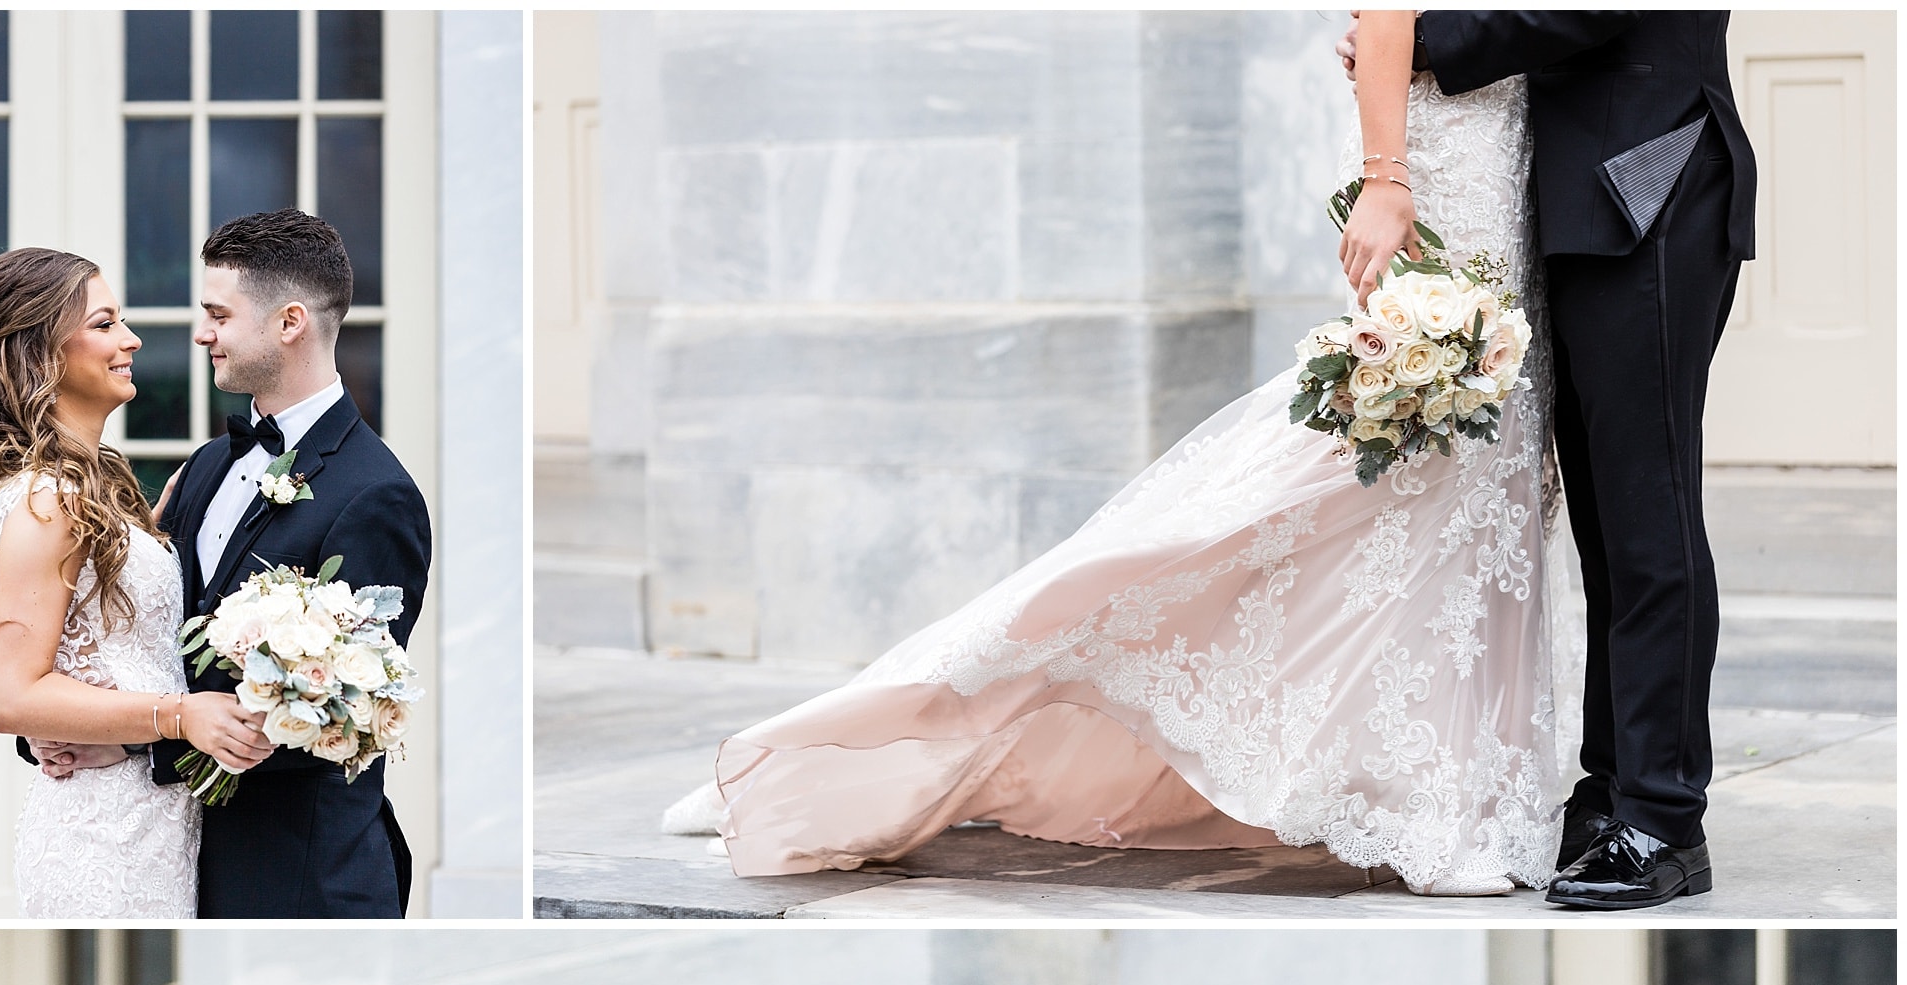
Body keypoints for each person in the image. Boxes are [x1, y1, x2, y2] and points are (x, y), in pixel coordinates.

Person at [664, 12, 1576, 898]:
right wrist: (1387, 178)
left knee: (1471, 479)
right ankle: (853, 740)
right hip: (1431, 159)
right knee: (1387, 452)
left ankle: (1452, 796)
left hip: (1508, 157)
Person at [1410, 12, 1756, 912]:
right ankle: (1612, 790)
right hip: (1585, 198)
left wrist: (1431, 38)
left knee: (1650, 515)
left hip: (1653, 181)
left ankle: (1666, 819)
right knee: (1607, 528)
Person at [0, 249, 268, 923]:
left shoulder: (95, 493)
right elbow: (12, 694)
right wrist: (179, 717)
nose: (131, 340)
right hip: (101, 843)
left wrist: (155, 532)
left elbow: (104, 642)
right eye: (105, 324)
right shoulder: (44, 500)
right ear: (42, 353)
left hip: (153, 823)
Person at [139, 209, 432, 918]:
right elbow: (150, 634)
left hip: (304, 881)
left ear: (289, 321)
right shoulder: (210, 465)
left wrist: (131, 744)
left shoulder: (375, 494)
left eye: (217, 314)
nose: (202, 334)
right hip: (179, 860)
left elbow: (345, 713)